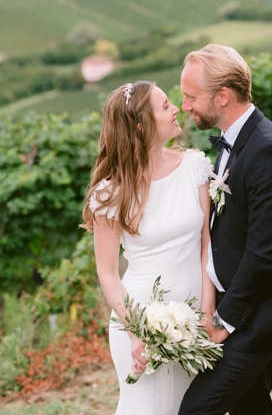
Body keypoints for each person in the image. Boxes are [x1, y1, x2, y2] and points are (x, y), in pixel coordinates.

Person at [178, 44, 272, 415]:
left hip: (258, 313)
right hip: (241, 305)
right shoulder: (235, 141)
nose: (184, 106)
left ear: (223, 96)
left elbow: (264, 253)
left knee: (196, 410)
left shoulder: (269, 152)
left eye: (190, 96)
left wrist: (221, 323)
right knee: (251, 407)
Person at [82, 80, 215, 415]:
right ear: (141, 126)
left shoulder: (195, 168)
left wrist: (208, 315)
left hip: (194, 318)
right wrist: (137, 330)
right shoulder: (110, 193)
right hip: (138, 320)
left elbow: (206, 248)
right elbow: (108, 273)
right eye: (166, 105)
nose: (176, 110)